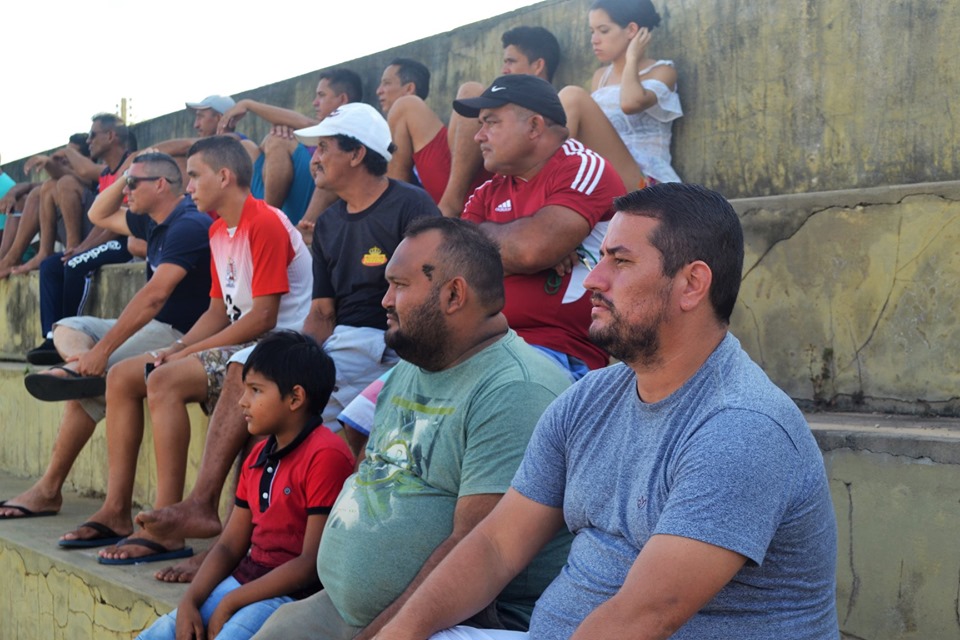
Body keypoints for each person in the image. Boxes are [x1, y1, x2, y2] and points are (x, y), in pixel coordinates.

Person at [372, 183, 840, 640]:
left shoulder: (741, 428)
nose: (593, 279)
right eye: (601, 259)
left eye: (621, 261)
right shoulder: (589, 399)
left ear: (692, 284)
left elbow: (643, 620)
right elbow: (495, 547)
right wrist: (402, 632)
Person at [134, 102, 440, 583]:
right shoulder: (333, 222)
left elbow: (429, 289)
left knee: (276, 407)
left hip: (387, 343)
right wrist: (291, 361)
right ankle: (219, 530)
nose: (313, 157)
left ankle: (236, 543)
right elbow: (321, 313)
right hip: (340, 339)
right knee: (255, 377)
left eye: (323, 148)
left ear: (357, 153)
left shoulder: (410, 206)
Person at [250, 217, 573, 640]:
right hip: (344, 608)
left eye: (399, 285)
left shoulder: (515, 390)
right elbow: (373, 470)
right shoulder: (413, 363)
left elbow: (475, 550)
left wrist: (382, 634)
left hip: (443, 623)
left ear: (454, 294)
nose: (385, 300)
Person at [58, 136, 312, 559]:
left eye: (194, 176)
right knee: (122, 375)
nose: (188, 186)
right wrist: (179, 346)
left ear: (225, 176)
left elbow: (264, 317)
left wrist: (184, 355)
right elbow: (218, 311)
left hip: (278, 344)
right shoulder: (217, 229)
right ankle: (117, 510)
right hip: (241, 339)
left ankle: (167, 522)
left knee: (165, 378)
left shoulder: (264, 222)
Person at [0, 152, 212, 521]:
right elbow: (98, 214)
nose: (126, 190)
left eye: (133, 184)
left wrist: (104, 350)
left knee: (90, 383)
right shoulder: (153, 221)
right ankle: (80, 369)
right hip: (152, 326)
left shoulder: (187, 224)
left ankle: (51, 488)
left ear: (161, 185)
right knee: (67, 327)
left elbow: (155, 296)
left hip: (178, 332)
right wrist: (126, 173)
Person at [134, 331, 355, 640]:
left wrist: (231, 602)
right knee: (161, 633)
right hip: (248, 578)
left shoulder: (326, 456)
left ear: (295, 398)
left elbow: (309, 565)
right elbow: (228, 545)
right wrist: (189, 602)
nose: (242, 402)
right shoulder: (258, 457)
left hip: (295, 594)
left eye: (255, 390)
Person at [455, 74, 626, 378]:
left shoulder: (581, 166)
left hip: (555, 351)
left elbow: (533, 249)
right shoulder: (486, 192)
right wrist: (516, 246)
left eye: (491, 122)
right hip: (476, 346)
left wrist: (508, 248)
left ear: (534, 126)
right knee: (370, 413)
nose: (478, 136)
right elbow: (453, 265)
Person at [22, 114, 137, 364]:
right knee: (51, 265)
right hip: (104, 238)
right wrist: (81, 247)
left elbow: (117, 225)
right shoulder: (106, 173)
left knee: (75, 264)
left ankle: (71, 329)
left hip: (125, 243)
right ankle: (53, 336)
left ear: (111, 136)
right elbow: (101, 220)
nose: (89, 140)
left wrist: (82, 251)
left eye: (93, 135)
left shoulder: (131, 165)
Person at [216, 68, 366, 228]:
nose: (314, 102)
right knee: (247, 147)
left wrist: (248, 104)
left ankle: (268, 222)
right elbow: (303, 125)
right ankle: (256, 218)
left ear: (342, 99)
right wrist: (271, 139)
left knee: (279, 142)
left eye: (321, 95)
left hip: (308, 200)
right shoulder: (306, 132)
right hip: (282, 196)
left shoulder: (350, 126)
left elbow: (306, 123)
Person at [564, 0, 683, 184]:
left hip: (645, 183)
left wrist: (632, 58)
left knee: (572, 96)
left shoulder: (663, 71)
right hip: (603, 173)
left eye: (603, 30)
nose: (594, 40)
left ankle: (551, 177)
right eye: (592, 31)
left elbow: (630, 103)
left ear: (631, 30)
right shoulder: (600, 76)